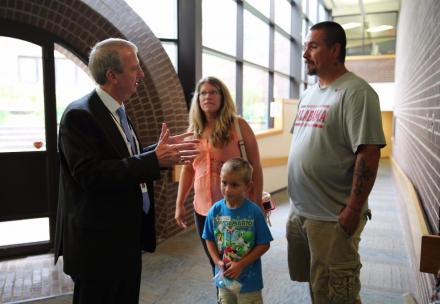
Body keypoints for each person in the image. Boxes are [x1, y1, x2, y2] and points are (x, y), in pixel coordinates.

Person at [54, 38, 199, 304]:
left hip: (123, 238)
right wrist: (153, 160)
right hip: (98, 246)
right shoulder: (79, 115)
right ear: (112, 75)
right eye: (135, 68)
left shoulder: (117, 109)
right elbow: (91, 174)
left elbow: (122, 157)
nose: (141, 74)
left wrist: (158, 150)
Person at [286, 21, 386, 304]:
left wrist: (354, 208)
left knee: (338, 292)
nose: (305, 53)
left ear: (335, 50)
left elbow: (368, 153)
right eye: (305, 46)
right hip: (301, 211)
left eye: (313, 46)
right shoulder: (309, 93)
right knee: (318, 284)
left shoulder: (357, 93)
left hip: (332, 217)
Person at [174, 76, 263, 274]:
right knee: (217, 264)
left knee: (239, 262)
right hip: (203, 212)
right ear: (197, 99)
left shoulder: (239, 126)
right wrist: (180, 203)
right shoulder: (193, 132)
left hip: (235, 210)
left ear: (223, 97)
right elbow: (188, 169)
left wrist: (257, 204)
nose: (208, 96)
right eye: (203, 93)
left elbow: (255, 166)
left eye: (213, 92)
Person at [202, 158, 273, 304]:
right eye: (224, 182)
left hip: (249, 283)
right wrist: (217, 261)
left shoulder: (254, 212)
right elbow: (208, 238)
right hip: (225, 281)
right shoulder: (215, 211)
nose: (227, 189)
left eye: (234, 185)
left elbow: (264, 244)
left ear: (248, 186)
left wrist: (241, 264)